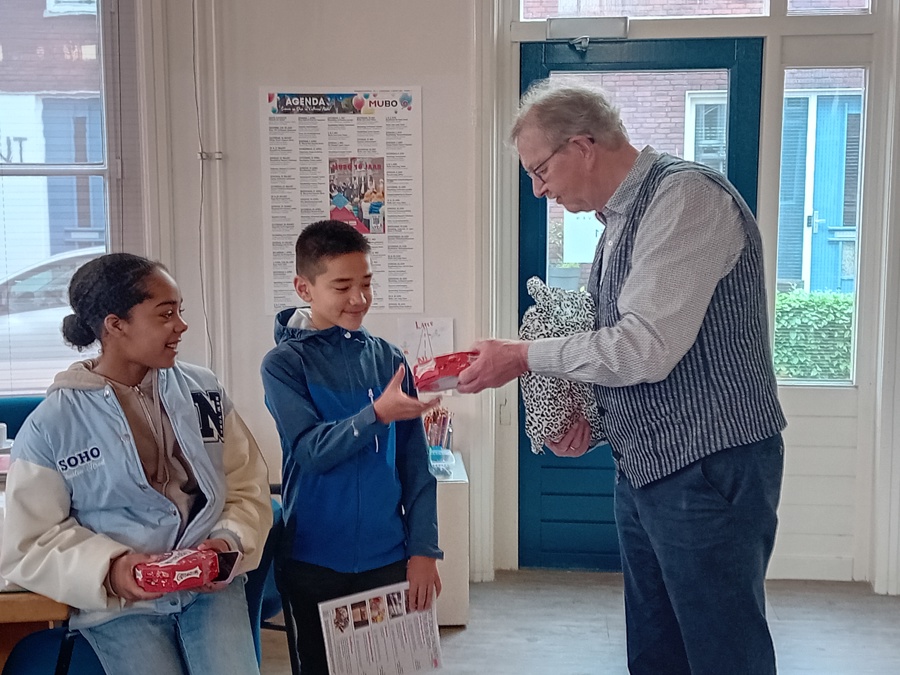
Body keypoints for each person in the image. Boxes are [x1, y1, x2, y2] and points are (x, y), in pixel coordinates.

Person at [457, 80, 787, 675]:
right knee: (656, 649)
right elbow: (609, 333)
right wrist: (587, 410)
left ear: (582, 146)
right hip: (648, 466)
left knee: (721, 651)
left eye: (540, 171)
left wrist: (522, 355)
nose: (539, 190)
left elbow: (646, 349)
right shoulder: (617, 224)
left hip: (708, 464)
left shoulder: (685, 199)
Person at [0, 253, 273, 675]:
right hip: (120, 606)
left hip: (209, 589)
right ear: (115, 325)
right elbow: (28, 541)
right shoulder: (52, 425)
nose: (180, 325)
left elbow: (245, 485)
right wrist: (112, 570)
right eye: (165, 314)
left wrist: (226, 541)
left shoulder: (203, 391)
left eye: (179, 311)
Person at [260, 219, 443, 675]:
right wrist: (375, 414)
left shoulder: (388, 359)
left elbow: (415, 465)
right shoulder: (284, 364)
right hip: (314, 558)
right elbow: (310, 450)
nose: (359, 299)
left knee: (395, 667)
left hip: (389, 556)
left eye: (366, 284)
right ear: (304, 288)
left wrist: (423, 549)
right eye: (342, 286)